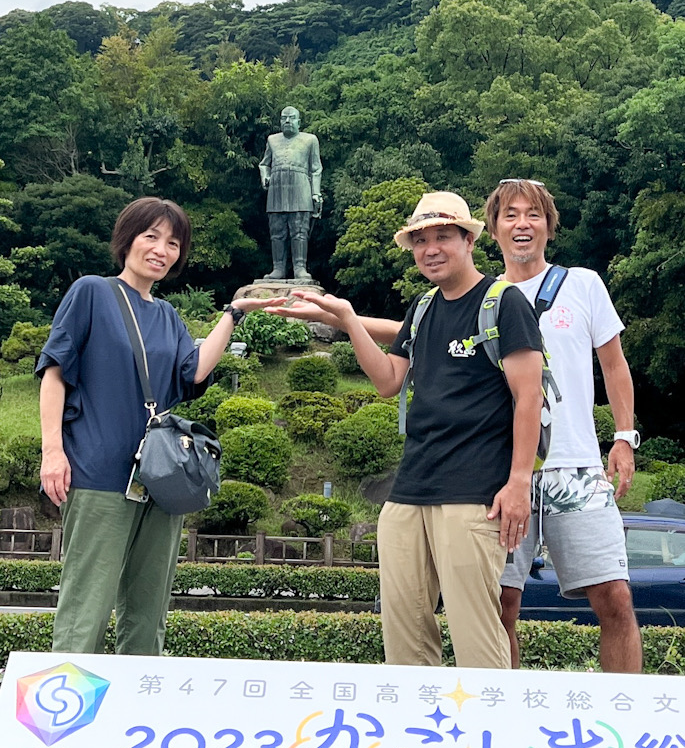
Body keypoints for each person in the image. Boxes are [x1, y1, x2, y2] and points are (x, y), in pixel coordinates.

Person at [271, 191, 544, 669]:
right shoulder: (422, 308)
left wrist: (519, 482)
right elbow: (387, 382)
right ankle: (422, 737)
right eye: (420, 240)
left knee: (476, 633)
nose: (431, 249)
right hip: (409, 488)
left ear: (468, 240)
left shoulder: (504, 302)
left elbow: (529, 395)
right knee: (404, 633)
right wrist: (349, 319)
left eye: (443, 237)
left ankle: (494, 736)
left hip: (473, 490)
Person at [38, 196, 283, 656]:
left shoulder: (168, 315)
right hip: (98, 472)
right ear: (127, 239)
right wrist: (53, 452)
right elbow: (54, 373)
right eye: (151, 236)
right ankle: (66, 720)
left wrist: (232, 313)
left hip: (161, 479)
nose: (161, 249)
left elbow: (193, 373)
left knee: (148, 612)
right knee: (87, 606)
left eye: (173, 242)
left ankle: (133, 718)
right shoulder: (92, 291)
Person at [484, 179, 642, 672]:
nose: (522, 224)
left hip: (576, 465)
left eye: (533, 214)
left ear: (549, 225)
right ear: (492, 230)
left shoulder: (583, 283)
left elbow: (613, 365)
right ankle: (504, 721)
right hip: (502, 471)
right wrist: (347, 318)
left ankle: (626, 716)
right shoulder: (482, 297)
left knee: (614, 596)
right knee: (499, 606)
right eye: (509, 215)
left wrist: (623, 437)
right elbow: (414, 334)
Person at [259, 106, 323, 281]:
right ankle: (278, 268)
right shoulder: (272, 140)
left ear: (299, 122)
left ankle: (300, 268)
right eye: (284, 118)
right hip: (277, 189)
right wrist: (265, 176)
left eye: (291, 118)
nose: (287, 121)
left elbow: (316, 169)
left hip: (301, 187)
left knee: (300, 230)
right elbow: (264, 164)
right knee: (277, 230)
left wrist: (316, 193)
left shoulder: (310, 140)